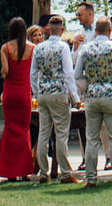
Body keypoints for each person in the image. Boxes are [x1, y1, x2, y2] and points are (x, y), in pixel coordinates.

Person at [76, 15, 112, 188]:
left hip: (92, 96)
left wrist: (89, 80)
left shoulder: (86, 48)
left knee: (92, 138)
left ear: (95, 31)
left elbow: (76, 74)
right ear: (110, 31)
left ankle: (91, 178)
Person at [31, 14, 82, 185]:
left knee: (44, 133)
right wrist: (75, 98)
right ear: (61, 30)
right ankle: (66, 172)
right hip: (59, 94)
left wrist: (37, 93)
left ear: (48, 30)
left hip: (44, 94)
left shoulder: (38, 48)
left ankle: (43, 173)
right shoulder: (63, 47)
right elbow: (68, 74)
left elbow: (33, 74)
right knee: (61, 134)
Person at [0, 16, 37, 180]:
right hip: (24, 92)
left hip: (10, 92)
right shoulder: (32, 48)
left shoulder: (5, 48)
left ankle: (10, 172)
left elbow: (5, 71)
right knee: (24, 130)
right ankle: (24, 171)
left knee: (10, 129)